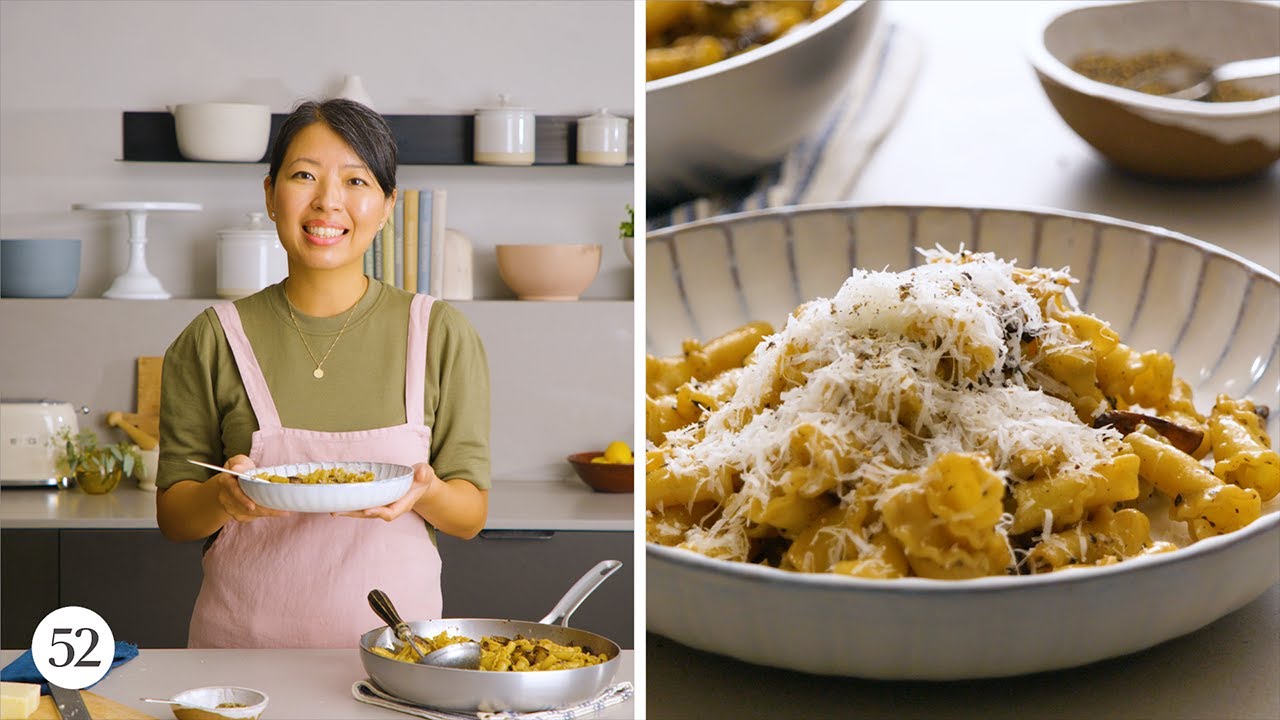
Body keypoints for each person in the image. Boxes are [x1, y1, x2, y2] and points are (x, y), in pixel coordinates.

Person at [155, 98, 490, 648]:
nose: (328, 202)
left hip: (399, 659)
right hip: (241, 661)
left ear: (387, 205)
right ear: (270, 194)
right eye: (304, 175)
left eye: (356, 181)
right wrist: (222, 497)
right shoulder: (212, 337)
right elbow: (173, 514)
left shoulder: (439, 333)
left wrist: (426, 490)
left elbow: (470, 514)